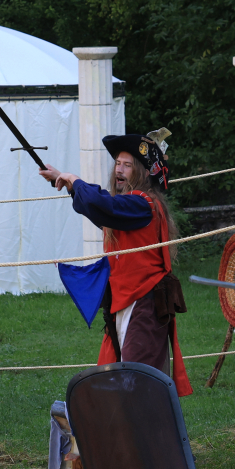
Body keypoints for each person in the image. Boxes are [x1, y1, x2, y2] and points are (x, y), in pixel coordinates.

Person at [39, 129, 192, 396]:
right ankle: (128, 436)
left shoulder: (143, 205)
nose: (119, 169)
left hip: (144, 303)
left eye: (127, 165)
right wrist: (67, 182)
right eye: (118, 164)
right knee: (123, 379)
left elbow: (104, 205)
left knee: (137, 383)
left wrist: (75, 179)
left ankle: (147, 437)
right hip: (126, 301)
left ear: (143, 172)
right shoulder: (127, 207)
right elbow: (99, 209)